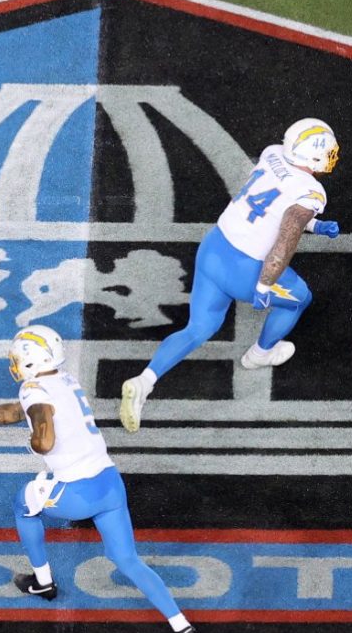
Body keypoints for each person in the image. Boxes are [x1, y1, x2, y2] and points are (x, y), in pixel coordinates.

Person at [0, 326, 199, 633]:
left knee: (23, 505)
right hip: (109, 482)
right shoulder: (65, 379)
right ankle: (182, 627)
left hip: (76, 492)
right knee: (127, 560)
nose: (15, 363)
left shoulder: (33, 388)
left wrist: (36, 443)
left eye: (19, 357)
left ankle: (43, 582)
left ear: (31, 361)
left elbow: (42, 435)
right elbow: (18, 411)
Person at [120, 119, 339, 431]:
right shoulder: (311, 191)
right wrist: (264, 283)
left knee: (199, 327)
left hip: (214, 248)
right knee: (299, 299)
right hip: (245, 269)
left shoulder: (273, 153)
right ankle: (260, 354)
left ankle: (145, 381)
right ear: (314, 157)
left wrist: (314, 224)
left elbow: (270, 202)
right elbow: (287, 235)